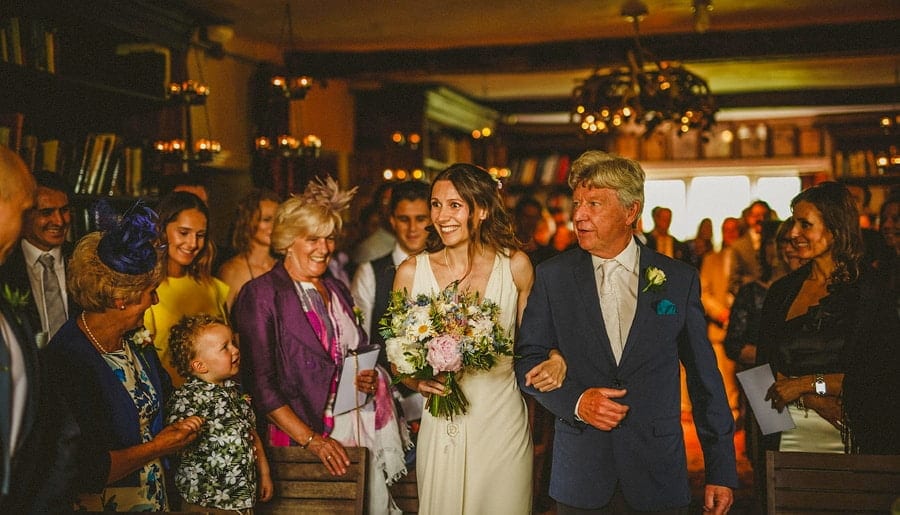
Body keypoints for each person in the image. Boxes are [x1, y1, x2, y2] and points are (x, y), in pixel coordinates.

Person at [516, 150, 737, 514]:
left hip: (658, 470)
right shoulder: (553, 276)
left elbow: (704, 380)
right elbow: (527, 359)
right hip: (581, 472)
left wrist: (721, 469)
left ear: (630, 211)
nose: (579, 215)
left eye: (594, 204)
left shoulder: (678, 279)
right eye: (577, 203)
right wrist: (576, 402)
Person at [392, 163, 566, 515]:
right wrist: (417, 380)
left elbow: (535, 342)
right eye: (436, 204)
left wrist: (556, 357)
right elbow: (398, 357)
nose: (442, 216)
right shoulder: (411, 272)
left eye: (455, 205)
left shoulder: (515, 266)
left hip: (502, 421)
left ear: (483, 209)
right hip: (443, 424)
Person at [232, 177, 410, 515]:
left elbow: (355, 353)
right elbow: (261, 386)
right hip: (301, 440)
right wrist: (313, 441)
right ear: (287, 241)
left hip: (356, 433)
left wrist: (368, 377)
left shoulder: (336, 288)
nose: (324, 248)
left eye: (329, 238)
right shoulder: (261, 294)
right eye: (312, 239)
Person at [42, 204, 203, 511]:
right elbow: (85, 468)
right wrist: (159, 447)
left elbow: (168, 397)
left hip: (153, 498)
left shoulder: (135, 341)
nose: (155, 300)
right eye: (150, 291)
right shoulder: (68, 358)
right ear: (121, 299)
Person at [758, 182, 899, 455]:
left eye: (805, 225)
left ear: (835, 229)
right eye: (793, 223)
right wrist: (813, 400)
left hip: (852, 435)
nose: (793, 233)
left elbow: (880, 376)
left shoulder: (869, 291)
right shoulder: (782, 292)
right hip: (785, 437)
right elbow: (760, 374)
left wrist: (805, 385)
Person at [166, 314, 273, 512]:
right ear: (200, 365)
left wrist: (264, 474)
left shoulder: (236, 393)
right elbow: (173, 441)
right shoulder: (187, 398)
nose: (235, 350)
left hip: (242, 498)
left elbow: (252, 435)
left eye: (233, 343)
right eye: (225, 347)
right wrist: (184, 428)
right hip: (206, 502)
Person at [144, 191, 229, 387]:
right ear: (161, 230)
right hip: (166, 396)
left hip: (216, 398)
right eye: (183, 233)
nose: (192, 244)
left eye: (200, 235)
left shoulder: (213, 287)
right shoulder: (145, 290)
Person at [0, 170, 78, 347]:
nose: (59, 221)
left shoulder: (84, 259)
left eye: (64, 210)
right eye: (47, 212)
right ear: (25, 214)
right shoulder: (6, 265)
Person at [217, 187, 281, 310]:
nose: (274, 226)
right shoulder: (232, 271)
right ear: (247, 221)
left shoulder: (284, 266)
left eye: (277, 219)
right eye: (267, 219)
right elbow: (222, 318)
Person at [729, 200, 773, 296]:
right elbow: (734, 281)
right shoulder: (738, 246)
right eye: (756, 215)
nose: (761, 219)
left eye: (765, 216)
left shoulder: (776, 243)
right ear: (749, 218)